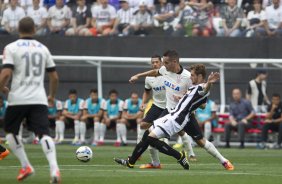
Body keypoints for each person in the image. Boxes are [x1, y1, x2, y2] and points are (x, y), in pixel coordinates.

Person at [115, 64, 234, 171]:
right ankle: (131, 162)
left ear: (200, 76)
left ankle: (180, 156)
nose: (190, 77)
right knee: (148, 134)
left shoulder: (201, 87)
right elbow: (193, 99)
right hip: (172, 115)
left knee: (151, 138)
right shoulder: (193, 87)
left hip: (178, 118)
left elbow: (205, 90)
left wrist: (209, 83)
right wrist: (181, 98)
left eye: (192, 75)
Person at [0, 17, 60, 182]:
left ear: (18, 30)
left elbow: (6, 74)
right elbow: (54, 77)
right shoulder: (43, 49)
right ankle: (54, 169)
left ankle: (26, 165)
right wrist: (52, 96)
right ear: (34, 30)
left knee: (11, 132)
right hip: (39, 98)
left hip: (18, 97)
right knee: (44, 134)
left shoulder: (11, 48)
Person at [114, 50, 197, 168]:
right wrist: (138, 76)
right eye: (153, 62)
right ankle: (137, 161)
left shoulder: (186, 76)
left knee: (193, 137)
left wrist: (187, 100)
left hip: (175, 112)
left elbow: (195, 95)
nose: (157, 64)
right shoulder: (160, 73)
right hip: (160, 107)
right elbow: (149, 85)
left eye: (162, 62)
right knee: (148, 135)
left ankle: (186, 154)